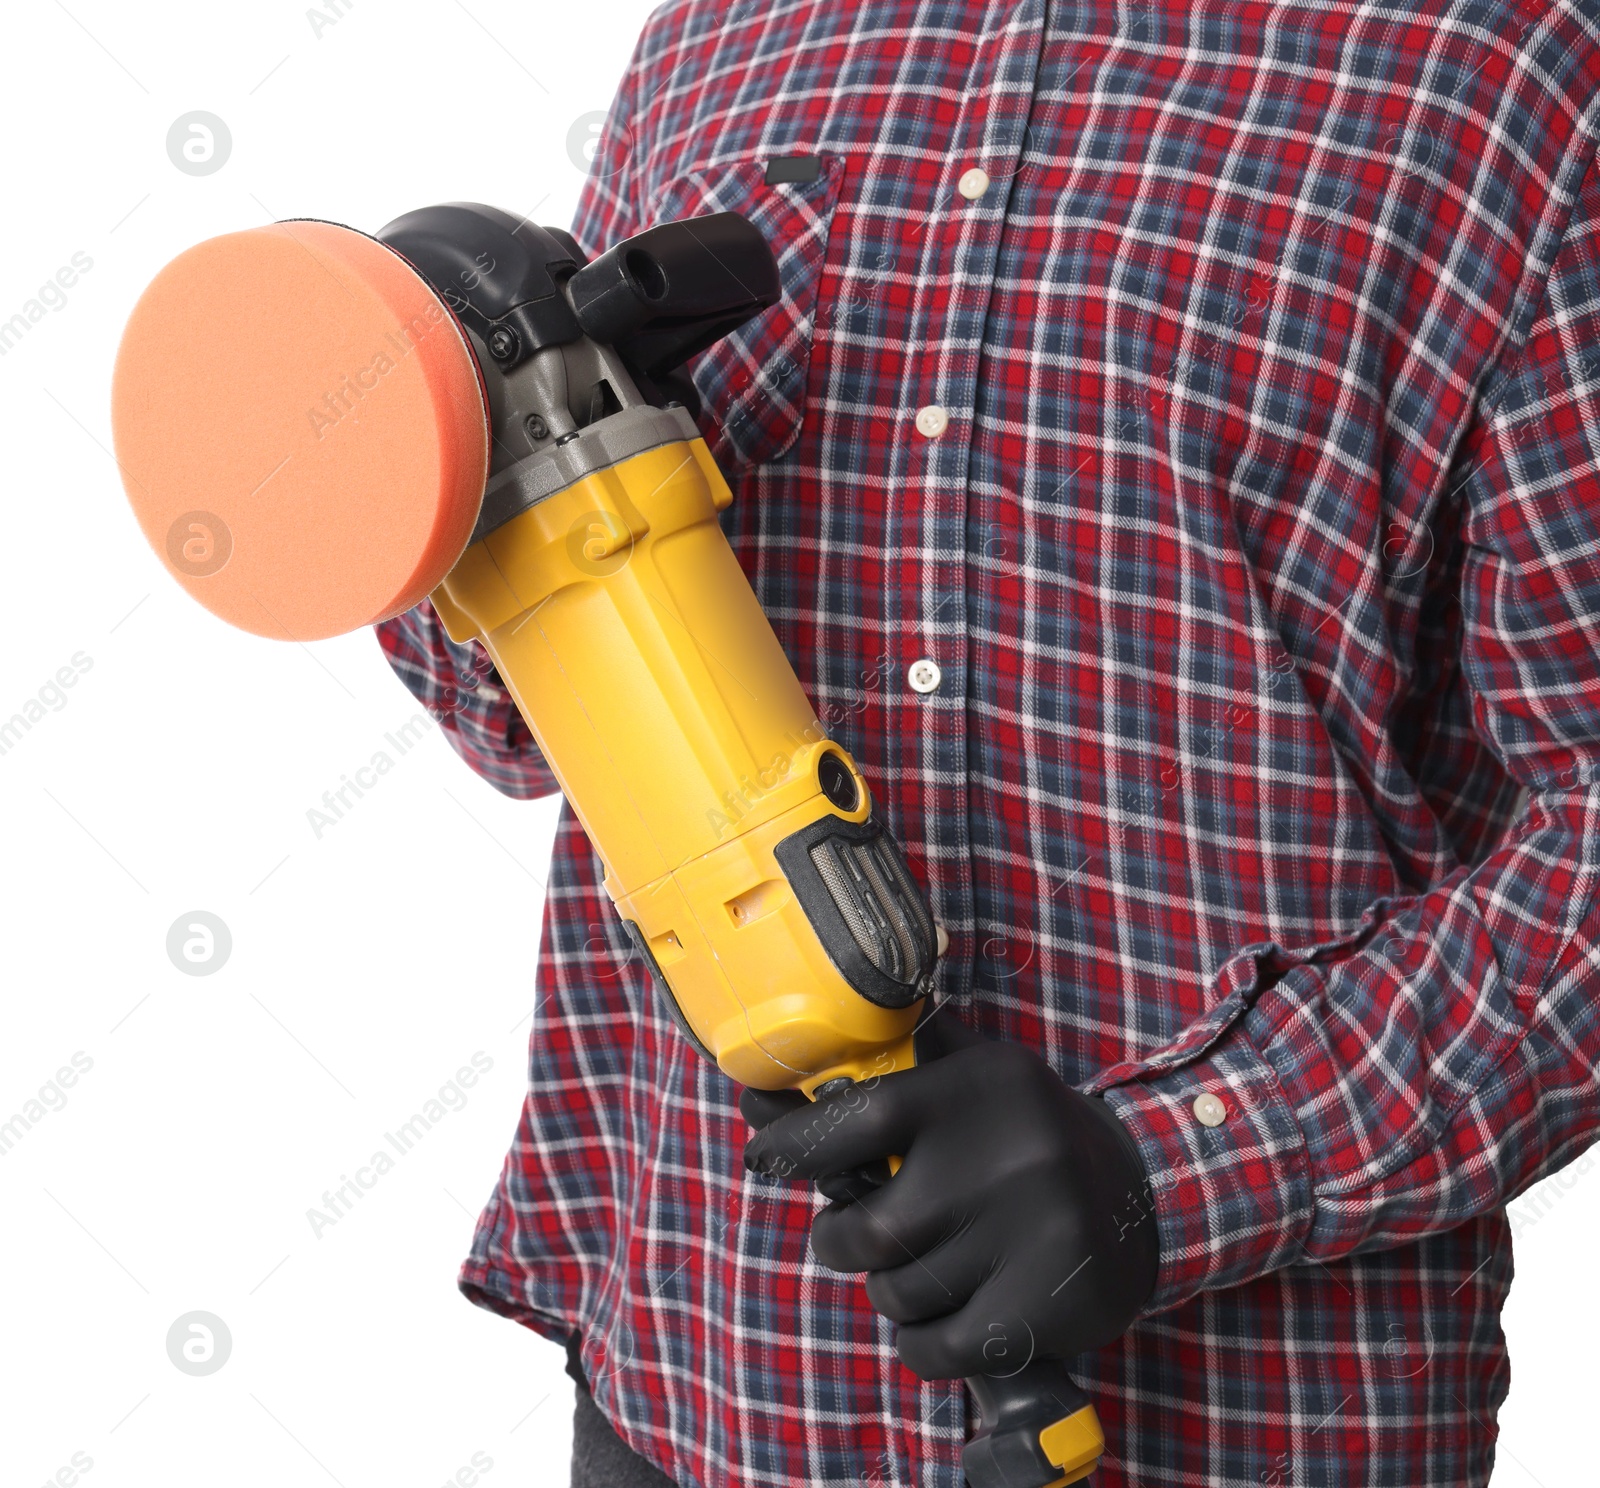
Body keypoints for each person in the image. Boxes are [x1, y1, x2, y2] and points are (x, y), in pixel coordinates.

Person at [376, 2, 1600, 1483]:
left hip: (1241, 1428)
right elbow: (521, 720)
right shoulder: (719, 32)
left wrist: (1179, 1165)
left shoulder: (1510, 75)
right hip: (697, 1381)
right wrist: (465, 477)